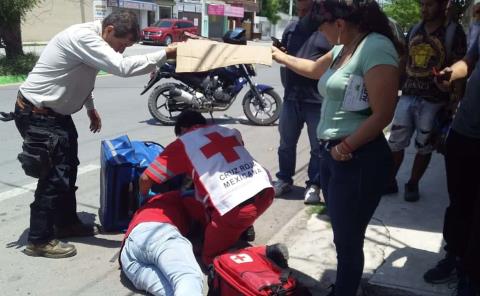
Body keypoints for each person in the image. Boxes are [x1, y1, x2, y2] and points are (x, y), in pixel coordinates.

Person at [3, 10, 177, 258]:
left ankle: (65, 223)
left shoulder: (96, 41)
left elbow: (82, 78)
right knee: (54, 176)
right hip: (37, 113)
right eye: (121, 44)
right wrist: (166, 53)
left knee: (68, 168)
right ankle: (38, 239)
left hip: (55, 115)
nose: (121, 51)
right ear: (108, 31)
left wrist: (90, 108)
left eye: (126, 47)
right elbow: (122, 67)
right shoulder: (83, 37)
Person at [272, 0, 402, 295]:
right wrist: (279, 56)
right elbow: (311, 69)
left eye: (322, 27)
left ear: (339, 24)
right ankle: (344, 286)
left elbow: (384, 112)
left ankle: (344, 290)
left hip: (358, 157)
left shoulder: (375, 47)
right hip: (334, 155)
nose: (321, 34)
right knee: (343, 235)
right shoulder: (343, 49)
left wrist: (345, 147)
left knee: (348, 239)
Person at [139, 110, 274, 266]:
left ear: (182, 129)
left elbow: (145, 178)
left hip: (235, 210)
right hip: (265, 192)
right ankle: (242, 228)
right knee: (207, 195)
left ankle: (266, 253)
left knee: (210, 259)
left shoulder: (184, 143)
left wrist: (144, 198)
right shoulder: (229, 131)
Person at [422, 8, 480, 294]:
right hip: (465, 130)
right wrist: (451, 72)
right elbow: (470, 61)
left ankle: (471, 274)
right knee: (459, 204)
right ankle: (454, 257)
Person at [385, 0, 466, 202]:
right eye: (422, 5)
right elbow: (405, 59)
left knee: (424, 145)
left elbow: (461, 66)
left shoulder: (453, 32)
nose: (424, 9)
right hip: (408, 95)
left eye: (429, 5)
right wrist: (394, 86)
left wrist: (455, 100)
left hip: (435, 100)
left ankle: (412, 183)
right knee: (395, 142)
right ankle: (389, 180)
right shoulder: (414, 29)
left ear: (442, 5)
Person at [273, 0, 331, 205]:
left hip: (317, 100)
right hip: (291, 97)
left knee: (317, 148)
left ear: (316, 8)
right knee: (286, 144)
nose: (301, 14)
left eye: (306, 10)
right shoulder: (292, 28)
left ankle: (313, 185)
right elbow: (286, 54)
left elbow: (324, 68)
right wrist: (280, 50)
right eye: (299, 9)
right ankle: (284, 179)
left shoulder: (327, 30)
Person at [120, 190, 204, 296]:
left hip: (128, 255)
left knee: (176, 291)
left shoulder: (151, 205)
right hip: (156, 233)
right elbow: (212, 224)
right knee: (189, 278)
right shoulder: (182, 197)